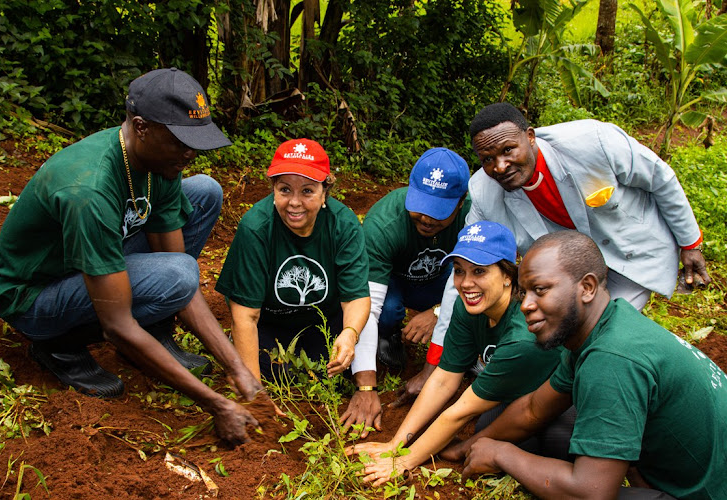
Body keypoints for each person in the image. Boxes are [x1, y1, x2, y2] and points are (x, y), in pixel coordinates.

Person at [0, 68, 262, 444]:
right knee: (178, 274)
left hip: (93, 262)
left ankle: (152, 330)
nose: (190, 152)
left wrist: (238, 367)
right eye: (182, 141)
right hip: (36, 294)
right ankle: (59, 346)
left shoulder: (154, 164)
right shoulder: (89, 190)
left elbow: (175, 266)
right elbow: (121, 319)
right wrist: (217, 404)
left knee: (203, 192)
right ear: (141, 126)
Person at [423, 102, 712, 395]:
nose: (499, 166)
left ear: (531, 137)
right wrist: (435, 358)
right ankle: (559, 392)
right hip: (568, 271)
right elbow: (464, 271)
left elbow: (660, 179)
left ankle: (648, 387)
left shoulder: (593, 142)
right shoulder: (485, 190)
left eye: (508, 150)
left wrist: (690, 243)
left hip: (630, 254)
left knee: (602, 332)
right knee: (566, 334)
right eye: (487, 159)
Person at [461, 231, 727, 499]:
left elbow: (590, 494)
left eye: (540, 290)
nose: (526, 305)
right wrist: (465, 448)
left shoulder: (612, 359)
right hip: (683, 472)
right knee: (501, 424)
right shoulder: (604, 326)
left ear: (587, 287)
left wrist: (502, 454)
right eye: (525, 292)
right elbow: (534, 409)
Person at [347, 222, 569, 486]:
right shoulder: (470, 308)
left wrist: (404, 462)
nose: (466, 284)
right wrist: (395, 445)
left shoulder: (523, 336)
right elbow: (443, 379)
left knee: (556, 443)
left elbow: (461, 410)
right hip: (519, 394)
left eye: (479, 271)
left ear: (508, 275)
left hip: (568, 401)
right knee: (486, 426)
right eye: (459, 271)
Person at [215, 138, 374, 425]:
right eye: (284, 190)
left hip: (321, 325)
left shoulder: (344, 224)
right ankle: (241, 356)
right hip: (270, 325)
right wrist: (255, 394)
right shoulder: (256, 227)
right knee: (266, 369)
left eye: (308, 191)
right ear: (273, 190)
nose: (295, 202)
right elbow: (245, 316)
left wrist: (349, 334)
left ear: (325, 191)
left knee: (330, 371)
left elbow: (356, 296)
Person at [358, 147, 470, 415]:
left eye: (439, 211)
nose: (428, 219)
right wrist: (365, 388)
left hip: (443, 277)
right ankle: (389, 337)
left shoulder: (473, 218)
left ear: (461, 201)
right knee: (386, 312)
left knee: (474, 298)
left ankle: (466, 349)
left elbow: (485, 282)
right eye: (421, 207)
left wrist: (438, 312)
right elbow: (367, 306)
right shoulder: (384, 223)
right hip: (394, 280)